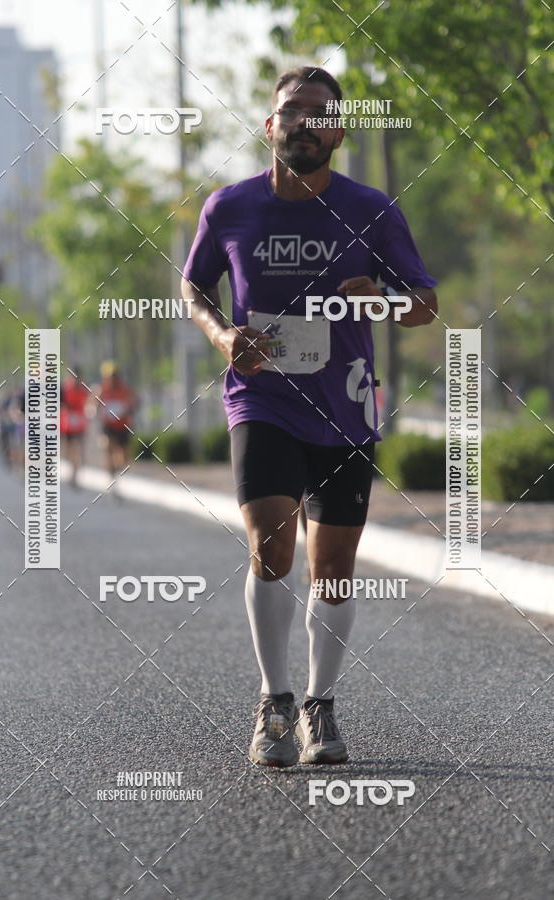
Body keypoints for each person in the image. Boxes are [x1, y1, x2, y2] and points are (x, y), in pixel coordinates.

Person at [182, 66, 438, 767]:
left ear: (340, 131)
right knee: (271, 542)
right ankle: (275, 697)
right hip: (261, 398)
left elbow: (424, 301)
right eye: (290, 111)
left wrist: (380, 298)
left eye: (319, 113)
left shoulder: (372, 209)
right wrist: (222, 336)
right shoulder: (229, 207)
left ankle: (321, 705)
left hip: (346, 403)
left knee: (333, 567)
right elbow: (193, 285)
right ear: (270, 126)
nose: (303, 122)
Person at [97, 362, 137, 479]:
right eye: (110, 376)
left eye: (114, 376)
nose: (112, 379)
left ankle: (116, 466)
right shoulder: (102, 389)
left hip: (122, 425)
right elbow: (93, 403)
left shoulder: (125, 389)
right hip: (108, 425)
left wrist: (128, 407)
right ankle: (109, 467)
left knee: (123, 457)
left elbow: (134, 400)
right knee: (107, 445)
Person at [60, 367, 90, 487]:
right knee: (68, 450)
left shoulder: (83, 389)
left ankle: (75, 473)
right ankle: (72, 469)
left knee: (77, 449)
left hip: (79, 424)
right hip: (67, 424)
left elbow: (88, 402)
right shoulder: (65, 389)